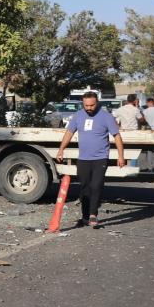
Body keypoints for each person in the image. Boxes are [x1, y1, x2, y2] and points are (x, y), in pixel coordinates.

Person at [55, 91, 127, 229]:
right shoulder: (78, 115)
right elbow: (69, 132)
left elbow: (117, 136)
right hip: (83, 158)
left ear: (97, 102)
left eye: (92, 105)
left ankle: (93, 214)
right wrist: (61, 149)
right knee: (84, 188)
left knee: (96, 185)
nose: (89, 108)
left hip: (100, 158)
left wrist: (121, 156)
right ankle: (85, 217)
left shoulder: (106, 117)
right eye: (86, 105)